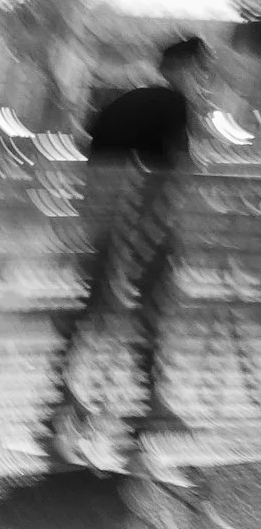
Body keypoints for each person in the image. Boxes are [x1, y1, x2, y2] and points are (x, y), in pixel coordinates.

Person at [41, 35, 214, 482]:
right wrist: (151, 235)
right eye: (201, 73)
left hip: (102, 219)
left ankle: (65, 393)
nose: (202, 84)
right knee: (151, 309)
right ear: (186, 66)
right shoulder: (174, 103)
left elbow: (90, 153)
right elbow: (178, 172)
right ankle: (151, 398)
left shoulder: (120, 95)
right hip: (143, 219)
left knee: (95, 307)